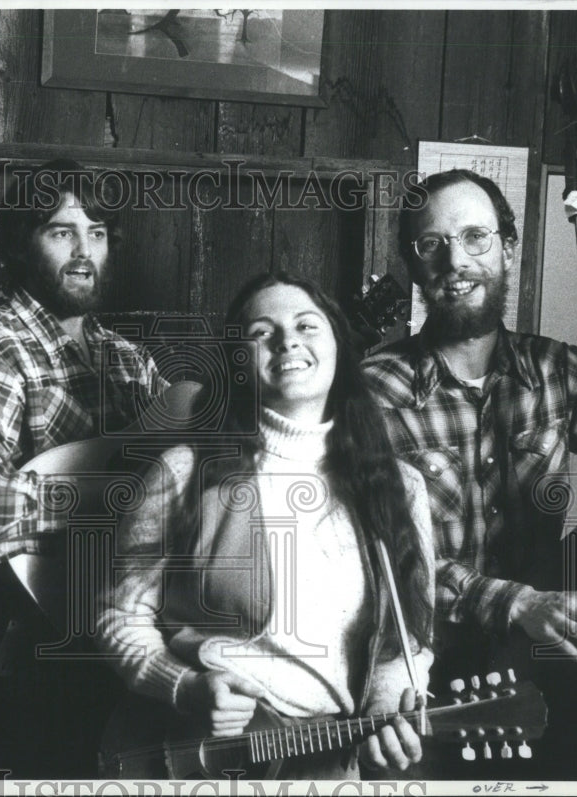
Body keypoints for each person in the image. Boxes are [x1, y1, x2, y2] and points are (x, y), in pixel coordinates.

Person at [361, 168, 577, 778]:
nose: (456, 260)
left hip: (544, 673)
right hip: (423, 681)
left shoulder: (559, 372)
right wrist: (518, 601)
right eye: (432, 244)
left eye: (475, 237)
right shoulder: (368, 393)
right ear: (414, 264)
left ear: (506, 247)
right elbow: (381, 554)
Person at [95, 273, 435, 780]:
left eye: (306, 325)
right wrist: (183, 687)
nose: (287, 340)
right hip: (198, 755)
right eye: (260, 332)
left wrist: (389, 714)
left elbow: (405, 641)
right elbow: (117, 617)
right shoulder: (183, 472)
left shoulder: (398, 487)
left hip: (327, 762)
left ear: (339, 345)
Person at [0, 160, 167, 776]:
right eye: (61, 232)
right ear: (23, 245)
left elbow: (182, 475)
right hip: (27, 645)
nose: (83, 251)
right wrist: (106, 495)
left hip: (118, 632)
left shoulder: (129, 360)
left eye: (97, 232)